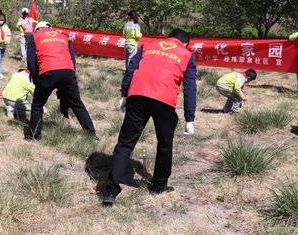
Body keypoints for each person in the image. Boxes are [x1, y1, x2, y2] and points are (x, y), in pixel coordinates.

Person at [103, 29, 197, 207]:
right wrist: (189, 118)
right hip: (164, 99)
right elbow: (190, 87)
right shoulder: (186, 55)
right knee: (164, 144)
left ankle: (110, 190)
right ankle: (158, 186)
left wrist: (124, 94)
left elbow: (131, 68)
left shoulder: (148, 45)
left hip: (137, 94)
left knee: (125, 143)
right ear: (185, 43)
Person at [25, 21, 95, 140]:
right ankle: (91, 134)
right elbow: (72, 59)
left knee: (38, 105)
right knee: (77, 103)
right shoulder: (63, 36)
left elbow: (31, 62)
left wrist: (37, 80)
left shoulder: (34, 37)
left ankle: (35, 135)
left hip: (47, 72)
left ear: (37, 29)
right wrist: (71, 76)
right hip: (68, 71)